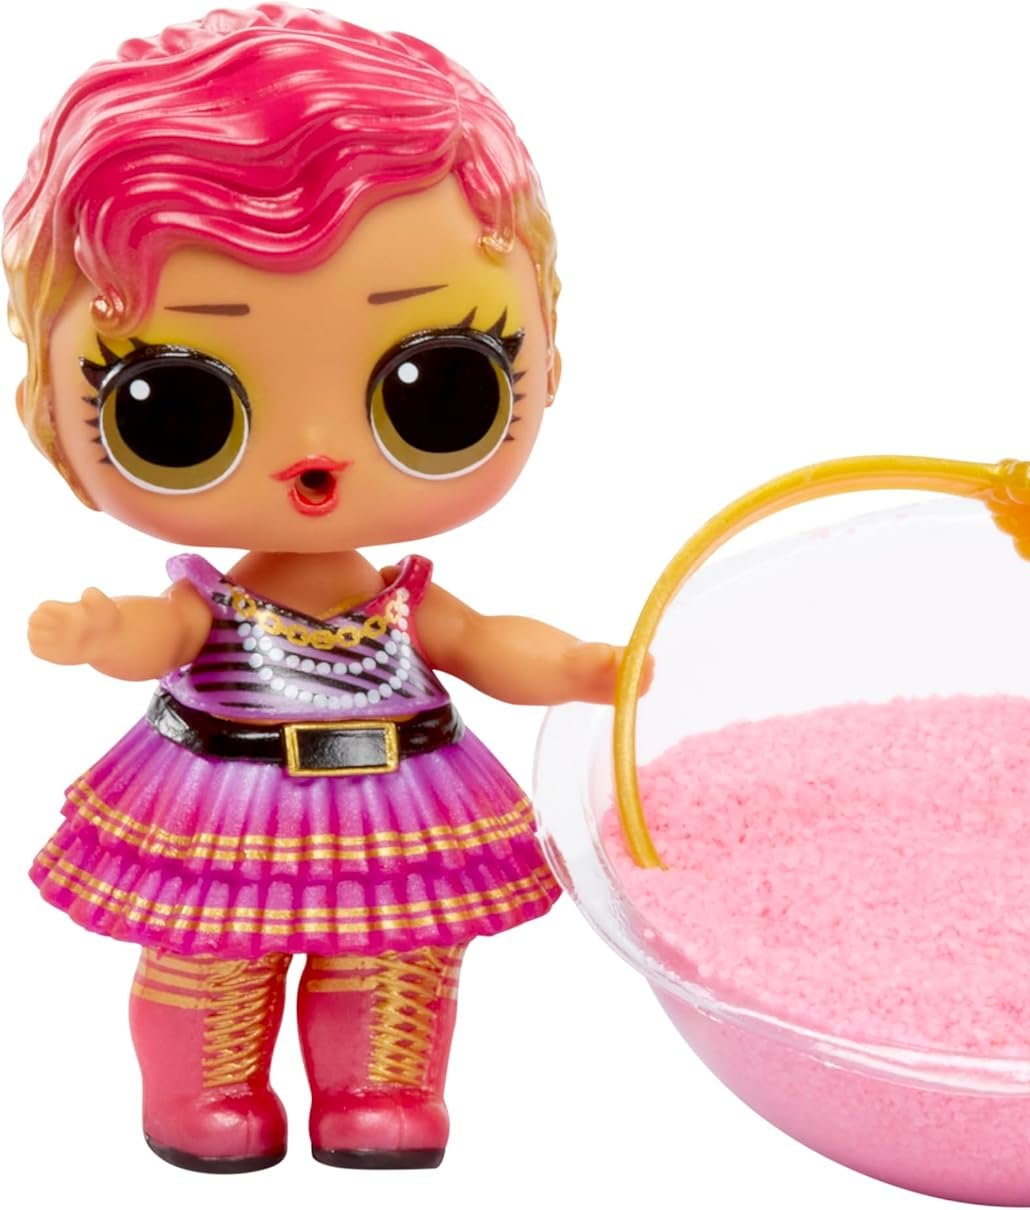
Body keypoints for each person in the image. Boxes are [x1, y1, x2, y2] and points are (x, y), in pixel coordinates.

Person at [4, 4, 640, 1173]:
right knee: (211, 950)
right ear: (51, 407)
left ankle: (381, 1086)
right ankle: (203, 1087)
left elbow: (487, 641)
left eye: (437, 385)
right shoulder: (212, 602)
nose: (314, 453)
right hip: (227, 793)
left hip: (399, 792)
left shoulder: (405, 599)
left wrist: (585, 666)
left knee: (399, 953)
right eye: (173, 408)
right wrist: (104, 631)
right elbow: (163, 631)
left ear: (548, 356)